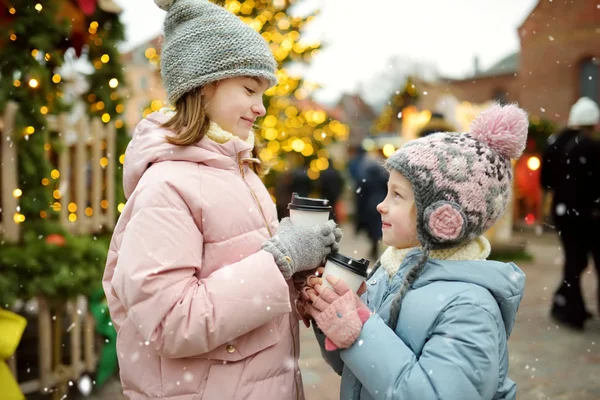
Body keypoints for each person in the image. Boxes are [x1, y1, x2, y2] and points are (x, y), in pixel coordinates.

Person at [102, 1, 341, 399]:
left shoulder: (243, 172)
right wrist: (279, 260)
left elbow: (243, 278)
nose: (260, 107)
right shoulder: (166, 186)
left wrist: (300, 275)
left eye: (262, 93)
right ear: (204, 85)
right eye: (249, 89)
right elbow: (170, 321)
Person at [300, 104, 528, 399]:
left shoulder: (469, 308)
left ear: (441, 217)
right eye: (386, 191)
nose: (381, 205)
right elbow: (354, 371)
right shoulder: (389, 274)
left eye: (397, 195)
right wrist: (329, 315)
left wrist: (359, 331)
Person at [541, 96, 600, 329]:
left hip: (566, 214)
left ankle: (571, 308)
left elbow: (545, 181)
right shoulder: (591, 146)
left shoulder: (555, 142)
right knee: (586, 262)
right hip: (592, 215)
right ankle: (571, 307)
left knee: (573, 261)